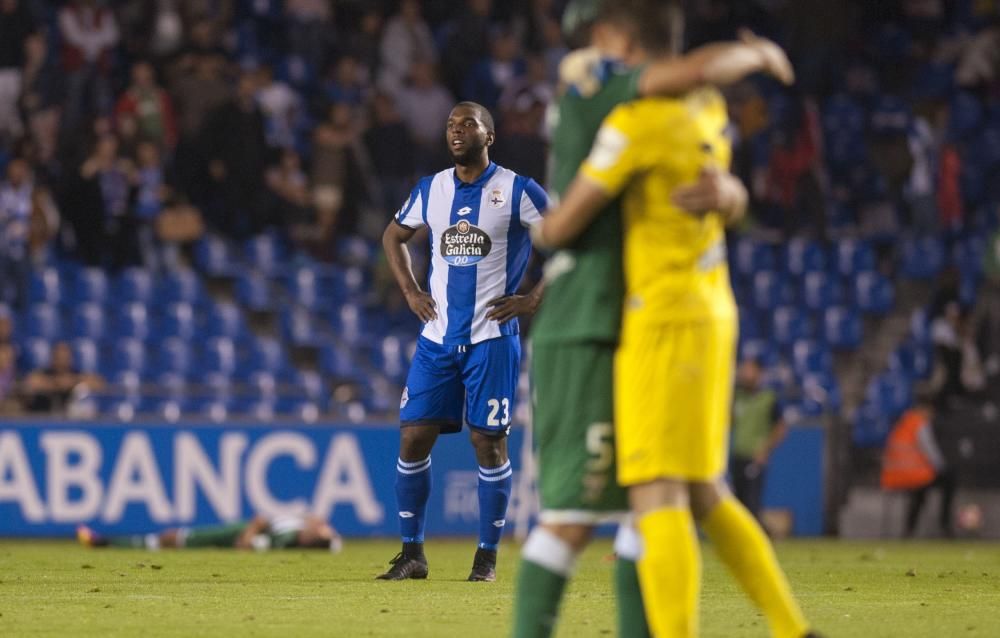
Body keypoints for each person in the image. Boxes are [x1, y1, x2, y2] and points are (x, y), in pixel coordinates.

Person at [511, 1, 797, 636]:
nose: (585, 50)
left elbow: (705, 140)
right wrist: (759, 55)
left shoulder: (683, 110)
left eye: (592, 36)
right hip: (587, 320)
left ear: (615, 33)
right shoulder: (597, 85)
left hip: (636, 322)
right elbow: (556, 229)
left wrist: (733, 194)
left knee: (661, 503)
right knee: (573, 516)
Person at [378, 101, 547, 582]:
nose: (456, 131)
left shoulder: (517, 189)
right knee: (413, 437)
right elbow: (393, 236)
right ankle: (412, 554)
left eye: (467, 124)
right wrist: (410, 290)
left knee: (488, 443)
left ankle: (486, 559)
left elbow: (569, 239)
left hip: (492, 338)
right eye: (451, 124)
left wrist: (534, 297)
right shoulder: (431, 189)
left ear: (488, 135)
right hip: (436, 338)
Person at [881, 397, 956, 538]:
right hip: (913, 475)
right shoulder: (920, 424)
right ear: (924, 409)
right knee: (948, 480)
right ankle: (944, 525)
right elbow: (930, 451)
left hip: (892, 477)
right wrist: (942, 467)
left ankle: (909, 530)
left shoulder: (902, 422)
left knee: (920, 492)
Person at [76, 513, 342, 552]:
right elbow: (262, 520)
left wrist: (252, 533)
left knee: (172, 539)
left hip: (239, 538)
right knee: (171, 538)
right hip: (239, 532)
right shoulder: (296, 529)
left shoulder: (288, 543)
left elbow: (247, 546)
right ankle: (106, 542)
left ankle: (104, 543)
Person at [729, 358, 788, 521]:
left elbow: (780, 427)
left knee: (752, 503)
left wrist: (765, 450)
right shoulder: (737, 396)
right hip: (738, 455)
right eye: (744, 369)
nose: (745, 373)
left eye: (750, 369)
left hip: (755, 457)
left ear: (759, 373)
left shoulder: (768, 398)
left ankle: (755, 540)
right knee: (737, 502)